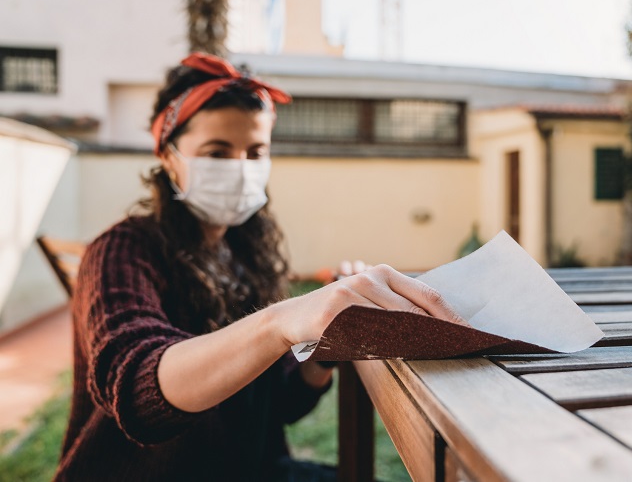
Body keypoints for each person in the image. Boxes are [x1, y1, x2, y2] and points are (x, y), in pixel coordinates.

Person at [54, 52, 466, 481]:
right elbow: (139, 394)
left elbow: (286, 400)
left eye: (255, 152)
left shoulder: (246, 251)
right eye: (217, 152)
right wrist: (280, 321)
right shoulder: (122, 252)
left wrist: (329, 343)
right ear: (169, 155)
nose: (240, 169)